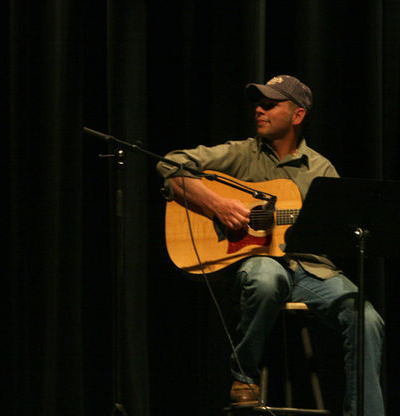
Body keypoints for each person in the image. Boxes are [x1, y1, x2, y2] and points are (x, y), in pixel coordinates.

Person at [156, 75, 384, 415]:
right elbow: (170, 163)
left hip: (311, 269)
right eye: (258, 104)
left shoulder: (321, 169)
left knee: (367, 318)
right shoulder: (242, 153)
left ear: (297, 116)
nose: (259, 110)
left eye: (270, 104)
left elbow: (338, 234)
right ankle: (244, 376)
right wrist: (218, 206)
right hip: (255, 263)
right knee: (267, 278)